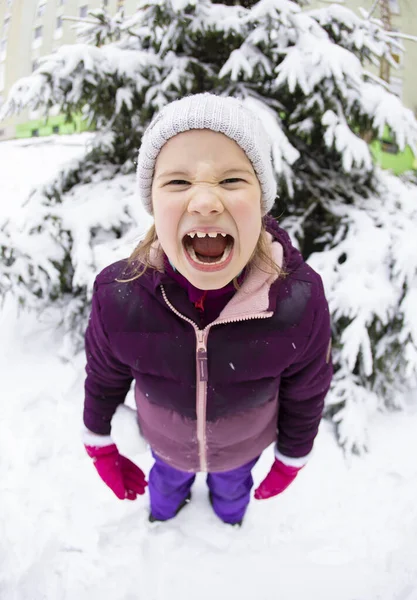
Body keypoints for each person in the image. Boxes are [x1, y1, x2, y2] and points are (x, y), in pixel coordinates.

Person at [82, 93, 333, 527]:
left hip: (242, 449)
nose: (204, 202)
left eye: (232, 181)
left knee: (234, 490)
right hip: (164, 444)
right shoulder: (119, 295)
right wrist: (100, 441)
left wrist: (292, 455)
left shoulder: (298, 299)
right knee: (165, 485)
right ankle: (163, 514)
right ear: (153, 204)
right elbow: (104, 376)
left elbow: (306, 390)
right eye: (178, 183)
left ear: (261, 201)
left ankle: (230, 514)